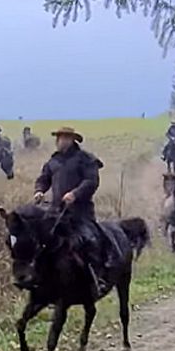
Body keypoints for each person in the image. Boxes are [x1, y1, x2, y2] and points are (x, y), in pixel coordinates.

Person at [33, 126, 120, 298]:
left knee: (90, 240)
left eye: (64, 138)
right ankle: (41, 284)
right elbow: (43, 179)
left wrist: (75, 194)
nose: (60, 141)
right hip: (56, 213)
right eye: (58, 138)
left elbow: (91, 181)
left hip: (81, 212)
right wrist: (39, 190)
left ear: (73, 140)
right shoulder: (53, 161)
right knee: (41, 243)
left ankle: (98, 278)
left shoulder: (85, 159)